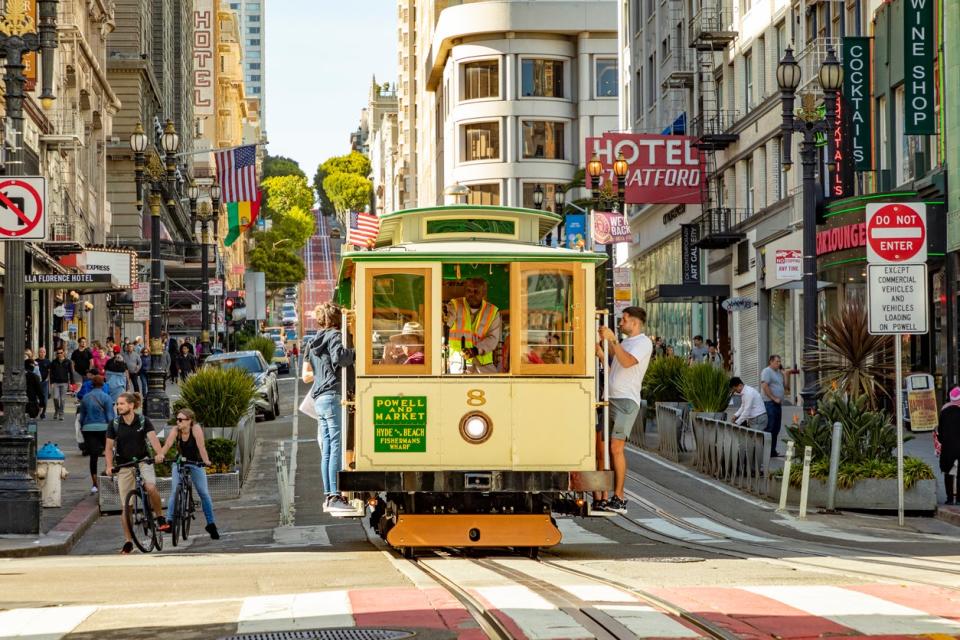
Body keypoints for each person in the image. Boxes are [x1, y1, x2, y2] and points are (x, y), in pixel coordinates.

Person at [595, 306, 653, 514]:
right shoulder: (627, 342)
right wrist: (603, 352)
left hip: (627, 402)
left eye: (624, 320)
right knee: (601, 449)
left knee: (615, 448)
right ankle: (601, 496)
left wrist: (612, 341)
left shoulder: (644, 343)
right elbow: (615, 365)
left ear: (635, 322)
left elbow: (627, 362)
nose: (620, 323)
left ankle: (619, 496)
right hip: (609, 398)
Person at [302, 302, 355, 514]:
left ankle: (328, 493)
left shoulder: (312, 341)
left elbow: (308, 372)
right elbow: (340, 359)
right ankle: (335, 496)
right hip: (333, 396)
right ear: (336, 320)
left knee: (327, 450)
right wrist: (355, 352)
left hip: (319, 399)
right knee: (335, 447)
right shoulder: (334, 336)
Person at [105, 392, 168, 554]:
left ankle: (160, 517)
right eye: (117, 404)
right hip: (124, 464)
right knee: (127, 506)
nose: (119, 407)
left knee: (150, 486)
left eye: (122, 404)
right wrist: (109, 466)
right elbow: (108, 448)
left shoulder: (143, 421)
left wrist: (159, 453)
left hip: (143, 461)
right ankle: (128, 541)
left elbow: (153, 440)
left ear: (131, 405)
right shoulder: (114, 424)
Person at [160, 408, 219, 539]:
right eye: (177, 419)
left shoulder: (196, 429)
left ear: (189, 421)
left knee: (203, 493)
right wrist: (160, 455)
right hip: (180, 462)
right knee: (175, 491)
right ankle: (169, 521)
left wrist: (206, 461)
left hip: (195, 463)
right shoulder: (176, 430)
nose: (178, 422)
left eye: (181, 420)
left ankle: (211, 524)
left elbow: (201, 447)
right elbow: (168, 443)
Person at [445, 277, 501, 374]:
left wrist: (475, 350)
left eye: (476, 291)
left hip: (484, 364)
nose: (472, 294)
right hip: (459, 362)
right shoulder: (454, 305)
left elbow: (493, 338)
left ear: (483, 293)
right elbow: (446, 324)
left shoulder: (493, 311)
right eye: (469, 291)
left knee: (493, 387)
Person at [78, 375, 115, 494]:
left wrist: (83, 429)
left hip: (88, 428)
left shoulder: (85, 397)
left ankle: (94, 484)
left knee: (93, 456)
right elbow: (110, 417)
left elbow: (81, 417)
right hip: (104, 428)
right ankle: (108, 476)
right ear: (103, 384)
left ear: (92, 384)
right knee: (109, 452)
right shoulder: (107, 398)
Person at [936, 387, 960, 505]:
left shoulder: (944, 411)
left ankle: (950, 498)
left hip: (948, 449)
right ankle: (959, 499)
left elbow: (940, 431)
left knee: (948, 473)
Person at [760, 355, 786, 457]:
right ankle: (765, 451)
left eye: (780, 361)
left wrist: (785, 374)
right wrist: (774, 398)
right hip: (769, 403)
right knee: (770, 427)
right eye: (777, 362)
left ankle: (772, 451)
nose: (779, 363)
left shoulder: (779, 373)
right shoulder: (767, 371)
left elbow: (786, 386)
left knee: (776, 427)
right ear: (771, 361)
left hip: (778, 404)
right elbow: (764, 386)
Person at [48, 347, 74, 420]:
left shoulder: (68, 361)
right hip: (56, 383)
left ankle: (61, 413)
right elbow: (51, 373)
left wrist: (71, 383)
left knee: (62, 399)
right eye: (58, 353)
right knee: (55, 398)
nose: (59, 354)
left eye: (61, 353)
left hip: (64, 382)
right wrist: (51, 382)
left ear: (64, 353)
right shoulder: (54, 362)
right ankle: (56, 411)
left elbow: (71, 372)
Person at [36, 346, 51, 419]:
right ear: (38, 353)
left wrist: (47, 380)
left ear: (45, 353)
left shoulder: (48, 361)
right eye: (40, 352)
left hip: (45, 382)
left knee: (45, 398)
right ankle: (37, 411)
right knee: (37, 398)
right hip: (37, 382)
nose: (42, 353)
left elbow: (49, 372)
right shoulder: (35, 361)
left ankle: (43, 413)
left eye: (43, 352)